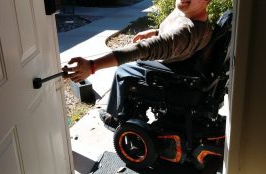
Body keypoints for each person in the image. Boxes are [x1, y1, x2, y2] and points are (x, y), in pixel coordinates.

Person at [63, 0, 213, 131]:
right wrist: (154, 32)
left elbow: (143, 49)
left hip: (171, 75)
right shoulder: (188, 12)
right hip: (176, 63)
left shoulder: (186, 32)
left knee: (123, 71)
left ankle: (116, 119)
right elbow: (170, 34)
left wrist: (92, 66)